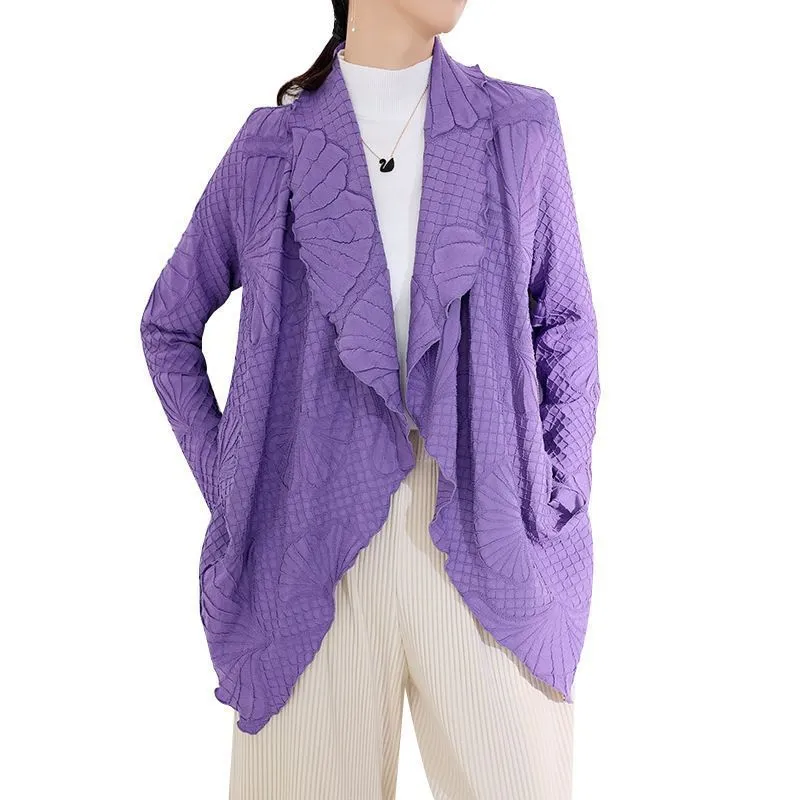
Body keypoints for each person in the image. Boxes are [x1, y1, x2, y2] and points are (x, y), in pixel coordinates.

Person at [140, 0, 600, 796]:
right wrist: (242, 489)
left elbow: (565, 321)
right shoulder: (271, 149)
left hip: (488, 540)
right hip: (307, 556)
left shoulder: (519, 127)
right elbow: (168, 325)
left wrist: (554, 492)